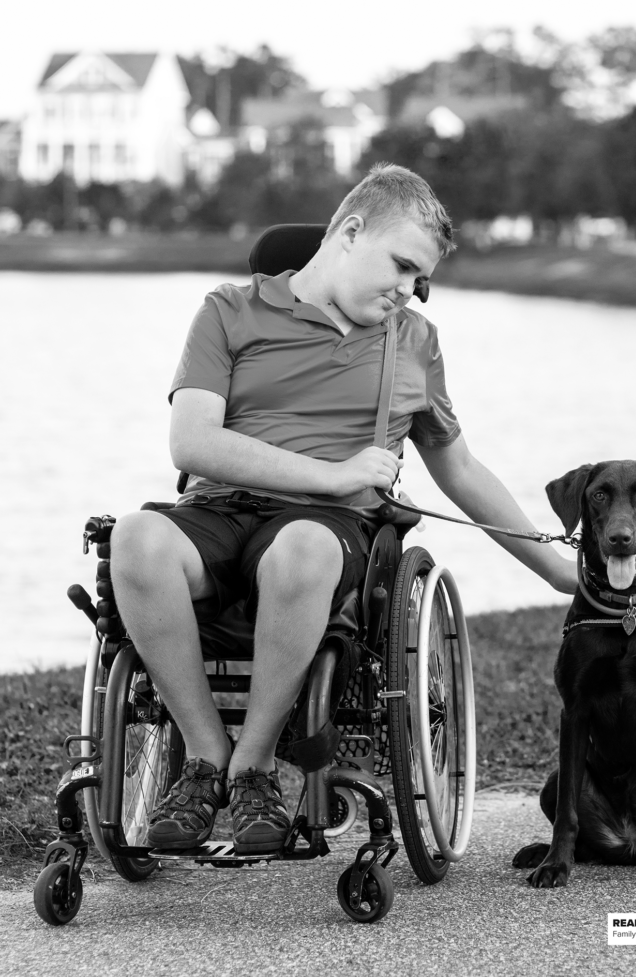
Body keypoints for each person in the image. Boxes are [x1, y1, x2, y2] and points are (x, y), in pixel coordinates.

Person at [111, 163, 577, 855]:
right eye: (402, 265)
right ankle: (207, 760)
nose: (410, 290)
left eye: (422, 279)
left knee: (303, 547)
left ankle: (255, 765)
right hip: (220, 509)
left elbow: (460, 468)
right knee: (136, 537)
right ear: (351, 232)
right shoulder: (230, 310)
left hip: (332, 535)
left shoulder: (415, 342)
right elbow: (193, 441)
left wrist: (557, 569)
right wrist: (332, 472)